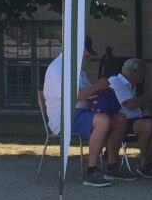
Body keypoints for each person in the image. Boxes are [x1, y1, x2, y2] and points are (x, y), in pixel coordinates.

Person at [42, 44, 130, 187]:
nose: (87, 59)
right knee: (103, 121)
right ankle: (91, 171)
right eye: (87, 55)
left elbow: (87, 92)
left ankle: (112, 166)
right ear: (77, 50)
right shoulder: (58, 68)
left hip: (82, 112)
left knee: (120, 118)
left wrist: (102, 90)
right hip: (65, 117)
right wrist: (97, 86)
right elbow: (70, 96)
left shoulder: (76, 68)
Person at [109, 57, 152, 179]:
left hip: (137, 119)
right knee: (147, 125)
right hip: (123, 122)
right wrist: (148, 98)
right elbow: (129, 105)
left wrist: (144, 104)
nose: (142, 79)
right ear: (132, 72)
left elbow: (135, 108)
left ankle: (147, 157)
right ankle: (144, 163)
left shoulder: (132, 85)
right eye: (141, 75)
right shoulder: (115, 81)